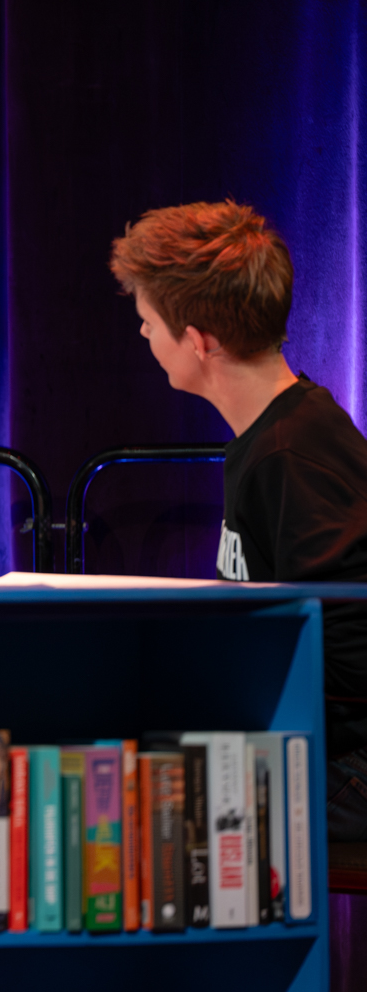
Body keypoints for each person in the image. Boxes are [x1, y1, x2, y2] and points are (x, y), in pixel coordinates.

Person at [108, 199, 367, 840]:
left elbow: (349, 660)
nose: (143, 335)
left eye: (148, 322)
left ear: (199, 341)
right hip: (319, 742)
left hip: (348, 764)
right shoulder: (276, 434)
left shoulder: (293, 453)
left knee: (144, 798)